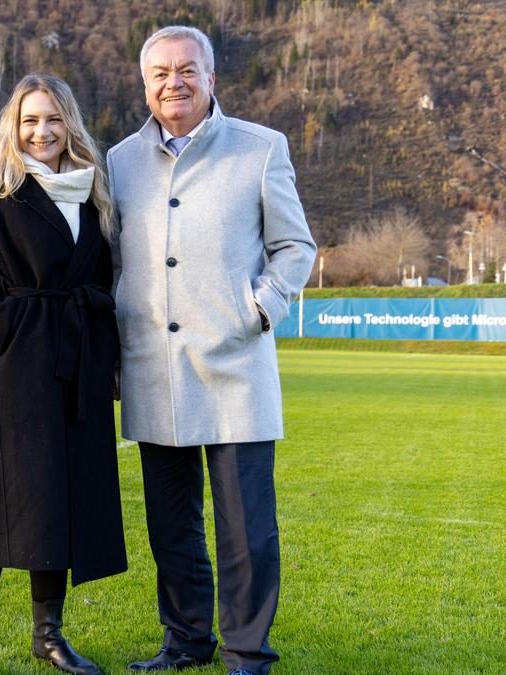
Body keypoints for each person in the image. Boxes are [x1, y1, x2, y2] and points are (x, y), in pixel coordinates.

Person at [106, 26, 316, 675]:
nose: (175, 82)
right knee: (171, 525)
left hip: (234, 366)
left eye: (187, 70)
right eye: (161, 72)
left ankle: (247, 650)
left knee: (246, 528)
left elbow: (295, 247)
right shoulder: (117, 161)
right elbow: (110, 257)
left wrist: (259, 307)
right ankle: (186, 637)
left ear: (212, 76)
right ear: (145, 83)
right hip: (152, 366)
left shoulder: (260, 148)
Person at [0, 73, 127, 675]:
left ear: (71, 124)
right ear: (12, 127)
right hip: (15, 371)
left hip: (78, 366)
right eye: (30, 120)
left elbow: (102, 283)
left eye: (53, 119)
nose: (42, 132)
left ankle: (49, 636)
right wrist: (14, 321)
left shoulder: (95, 195)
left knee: (59, 500)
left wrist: (108, 359)